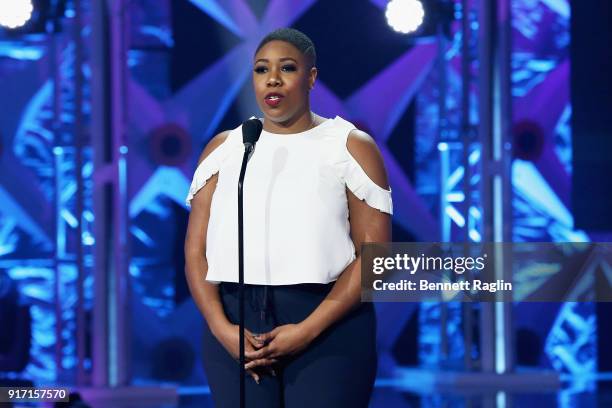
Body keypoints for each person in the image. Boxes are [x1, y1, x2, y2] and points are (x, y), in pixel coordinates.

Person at [184, 28, 392, 407]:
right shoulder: (226, 147)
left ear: (311, 77)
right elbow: (196, 251)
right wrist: (220, 326)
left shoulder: (349, 145)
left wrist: (308, 330)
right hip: (236, 326)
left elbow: (375, 257)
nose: (273, 79)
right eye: (262, 69)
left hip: (329, 326)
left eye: (288, 68)